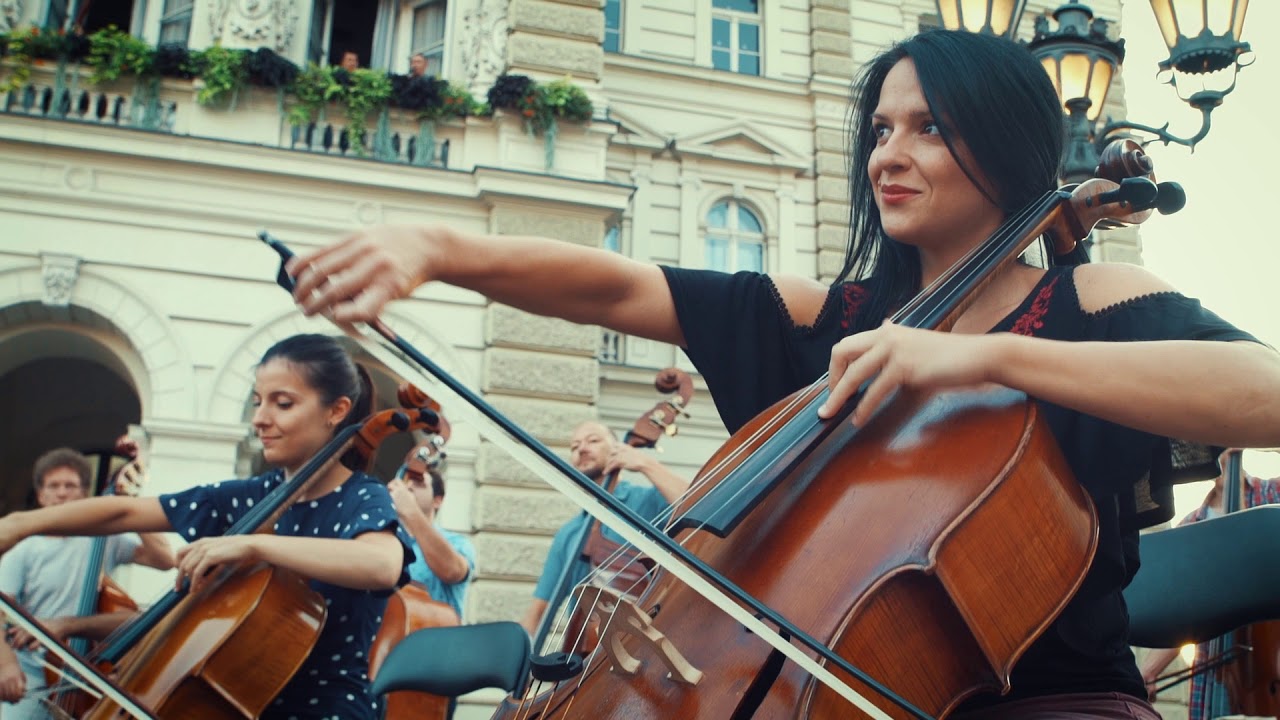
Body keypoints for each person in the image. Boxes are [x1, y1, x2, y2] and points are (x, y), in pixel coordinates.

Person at [286, 28, 1280, 719]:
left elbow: (1266, 394)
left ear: (1008, 142)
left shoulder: (1081, 306)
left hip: (1051, 703)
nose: (888, 155)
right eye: (880, 130)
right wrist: (440, 247)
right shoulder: (831, 319)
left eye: (927, 126)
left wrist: (986, 356)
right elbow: (617, 287)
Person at [0, 334, 414, 720]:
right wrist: (22, 523)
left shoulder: (362, 497)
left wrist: (256, 547)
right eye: (257, 402)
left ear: (336, 411)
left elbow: (380, 565)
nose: (260, 419)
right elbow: (123, 514)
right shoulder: (250, 497)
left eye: (282, 404)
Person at [0, 446, 175, 720]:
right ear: (41, 495)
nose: (61, 493)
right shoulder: (24, 549)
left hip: (89, 675)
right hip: (31, 674)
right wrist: (6, 665)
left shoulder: (102, 539)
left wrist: (133, 504)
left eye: (70, 486)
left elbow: (164, 559)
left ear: (84, 494)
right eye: (53, 486)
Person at [1137, 448, 1280, 718]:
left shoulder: (1273, 495)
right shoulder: (1191, 524)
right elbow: (1182, 612)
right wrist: (1148, 672)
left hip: (1269, 668)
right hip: (1213, 674)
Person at [518, 421, 689, 637]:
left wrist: (646, 464)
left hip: (648, 642)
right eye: (574, 446)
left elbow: (699, 503)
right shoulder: (570, 533)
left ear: (618, 450)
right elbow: (537, 611)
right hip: (584, 657)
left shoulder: (647, 501)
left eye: (593, 440)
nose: (581, 448)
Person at [386, 440, 475, 619]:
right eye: (406, 482)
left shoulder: (457, 543)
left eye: (419, 481)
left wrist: (411, 510)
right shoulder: (386, 539)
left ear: (437, 500)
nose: (409, 486)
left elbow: (452, 571)